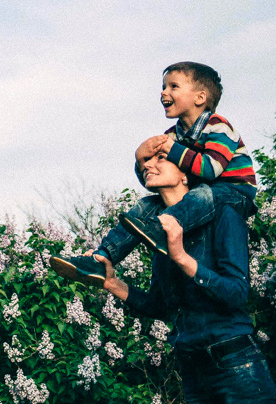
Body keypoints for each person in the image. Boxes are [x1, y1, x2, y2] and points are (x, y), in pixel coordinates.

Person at [96, 149, 276, 404]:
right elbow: (161, 305)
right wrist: (113, 284)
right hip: (192, 371)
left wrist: (182, 258)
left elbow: (237, 293)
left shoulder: (223, 214)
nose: (148, 164)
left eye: (160, 158)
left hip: (236, 366)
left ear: (185, 173)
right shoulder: (156, 230)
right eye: (143, 163)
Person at [51, 62, 257, 283]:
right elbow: (153, 175)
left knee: (204, 193)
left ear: (200, 97)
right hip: (201, 195)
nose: (164, 92)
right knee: (147, 205)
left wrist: (171, 149)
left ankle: (162, 229)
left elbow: (210, 169)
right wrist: (140, 158)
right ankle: (102, 258)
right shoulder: (172, 135)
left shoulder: (218, 127)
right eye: (163, 86)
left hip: (235, 193)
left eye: (173, 86)